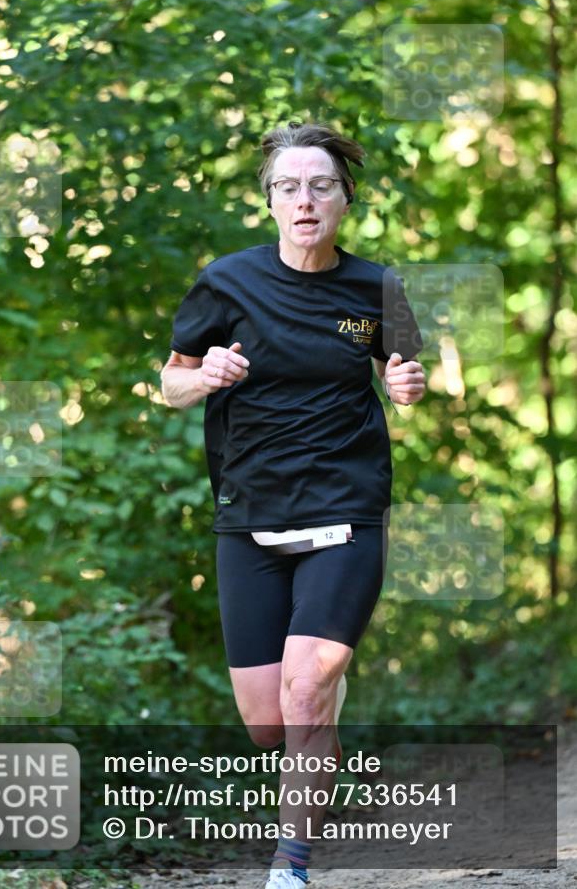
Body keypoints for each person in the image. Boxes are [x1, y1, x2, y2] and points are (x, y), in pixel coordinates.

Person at [161, 121, 426, 888]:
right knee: (266, 723)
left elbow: (409, 377)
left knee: (303, 686)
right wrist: (203, 373)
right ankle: (320, 700)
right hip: (248, 518)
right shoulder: (226, 282)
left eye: (319, 185)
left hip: (345, 510)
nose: (303, 199)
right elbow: (168, 383)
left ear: (344, 198)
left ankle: (289, 867)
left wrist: (410, 386)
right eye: (287, 186)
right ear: (269, 202)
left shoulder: (377, 288)